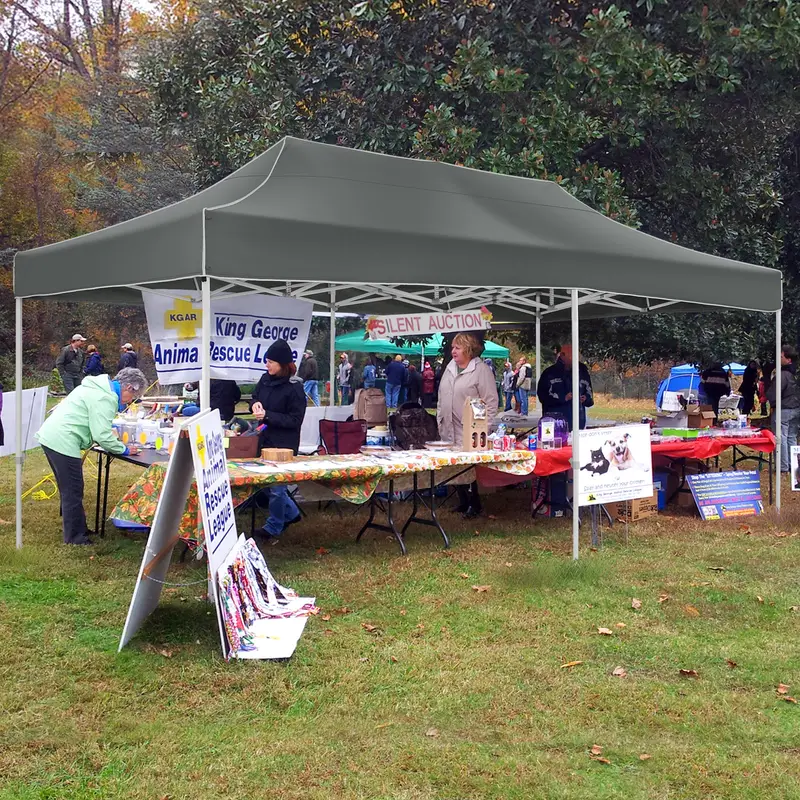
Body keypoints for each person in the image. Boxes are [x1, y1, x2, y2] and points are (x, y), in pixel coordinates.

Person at [36, 367, 147, 545]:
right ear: (128, 387)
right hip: (63, 440)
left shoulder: (96, 387)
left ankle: (78, 528)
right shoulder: (106, 397)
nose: (130, 401)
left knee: (70, 488)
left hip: (52, 436)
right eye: (133, 396)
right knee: (73, 490)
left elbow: (96, 424)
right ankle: (75, 538)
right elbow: (101, 435)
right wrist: (124, 449)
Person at [437, 332, 498, 518]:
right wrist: (440, 417)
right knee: (455, 465)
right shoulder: (449, 368)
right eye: (453, 347)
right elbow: (441, 396)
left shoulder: (481, 370)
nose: (453, 351)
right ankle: (462, 501)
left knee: (469, 466)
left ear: (469, 349)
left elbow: (491, 401)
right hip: (449, 425)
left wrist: (484, 428)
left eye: (458, 347)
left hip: (471, 427)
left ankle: (474, 503)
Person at [251, 340, 307, 539]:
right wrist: (255, 404)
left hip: (284, 445)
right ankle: (291, 513)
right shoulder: (264, 379)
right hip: (264, 440)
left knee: (277, 488)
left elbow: (295, 420)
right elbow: (255, 396)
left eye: (270, 362)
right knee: (264, 483)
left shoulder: (295, 388)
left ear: (282, 364)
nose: (266, 365)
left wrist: (268, 415)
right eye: (266, 361)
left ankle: (273, 526)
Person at [537, 344, 594, 431]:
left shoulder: (582, 371)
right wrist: (563, 398)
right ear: (562, 355)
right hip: (556, 422)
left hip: (578, 422)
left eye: (576, 356)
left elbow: (589, 391)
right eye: (571, 356)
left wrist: (586, 398)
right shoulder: (549, 373)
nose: (574, 359)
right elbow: (543, 396)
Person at [767, 345, 800, 473]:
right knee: (791, 437)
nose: (778, 358)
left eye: (781, 356)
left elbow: (774, 393)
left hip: (783, 409)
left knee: (781, 438)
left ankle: (783, 467)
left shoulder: (783, 375)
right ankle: (793, 466)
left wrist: (771, 400)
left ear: (788, 359)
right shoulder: (795, 375)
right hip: (796, 409)